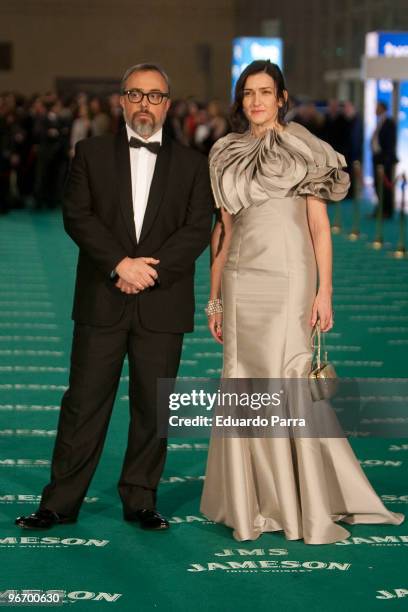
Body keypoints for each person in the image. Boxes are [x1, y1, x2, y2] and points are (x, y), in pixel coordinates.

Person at [200, 60, 404, 544]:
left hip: (291, 279)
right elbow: (223, 233)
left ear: (282, 97)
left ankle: (302, 502)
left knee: (288, 381)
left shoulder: (305, 148)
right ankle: (253, 503)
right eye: (248, 92)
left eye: (265, 92)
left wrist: (324, 290)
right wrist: (213, 299)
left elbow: (318, 229)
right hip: (240, 280)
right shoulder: (225, 152)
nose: (256, 102)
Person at [16, 63, 213, 531]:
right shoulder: (91, 152)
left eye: (155, 96)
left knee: (153, 407)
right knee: (83, 403)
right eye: (136, 94)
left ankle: (141, 499)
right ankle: (60, 502)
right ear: (122, 100)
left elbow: (196, 230)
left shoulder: (192, 163)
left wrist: (146, 273)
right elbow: (77, 215)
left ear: (168, 104)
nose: (145, 104)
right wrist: (119, 264)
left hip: (161, 301)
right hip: (102, 297)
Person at [371, 101, 398, 219]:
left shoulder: (389, 123)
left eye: (377, 107)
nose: (375, 109)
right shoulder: (379, 122)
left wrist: (386, 160)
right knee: (377, 185)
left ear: (382, 108)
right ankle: (380, 208)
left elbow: (390, 143)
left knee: (386, 186)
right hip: (377, 158)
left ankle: (387, 211)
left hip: (385, 160)